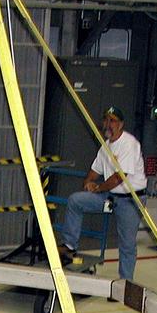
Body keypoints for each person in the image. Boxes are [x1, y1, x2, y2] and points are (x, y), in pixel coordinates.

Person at [58, 107, 147, 281]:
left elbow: (118, 178)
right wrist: (88, 183)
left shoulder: (129, 144)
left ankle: (125, 283)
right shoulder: (106, 145)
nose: (108, 125)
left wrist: (98, 188)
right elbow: (94, 170)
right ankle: (69, 244)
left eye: (112, 121)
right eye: (106, 120)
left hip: (131, 199)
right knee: (76, 200)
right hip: (111, 196)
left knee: (127, 243)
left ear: (121, 125)